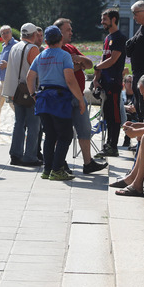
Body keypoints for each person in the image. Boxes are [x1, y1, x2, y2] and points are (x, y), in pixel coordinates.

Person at [26, 25, 87, 181]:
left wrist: (34, 94)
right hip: (59, 99)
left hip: (43, 98)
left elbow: (29, 77)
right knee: (65, 135)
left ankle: (47, 169)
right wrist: (80, 99)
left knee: (50, 135)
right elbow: (69, 79)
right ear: (60, 39)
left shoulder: (41, 55)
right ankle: (57, 169)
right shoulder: (64, 55)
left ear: (46, 40)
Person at [55, 18, 108, 174]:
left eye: (71, 29)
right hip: (64, 97)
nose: (71, 32)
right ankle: (60, 162)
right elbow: (67, 72)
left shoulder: (71, 47)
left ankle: (88, 163)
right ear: (59, 32)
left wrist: (78, 60)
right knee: (63, 132)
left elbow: (89, 64)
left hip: (79, 96)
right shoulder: (54, 50)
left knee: (85, 130)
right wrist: (79, 65)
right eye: (68, 30)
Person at [2, 23, 43, 167]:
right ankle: (30, 156)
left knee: (18, 123)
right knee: (33, 124)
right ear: (34, 35)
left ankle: (15, 154)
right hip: (29, 90)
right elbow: (37, 71)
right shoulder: (32, 48)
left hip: (17, 92)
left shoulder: (15, 46)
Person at [92, 9, 127, 156]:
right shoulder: (108, 38)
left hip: (114, 81)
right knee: (106, 114)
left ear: (113, 19)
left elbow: (113, 60)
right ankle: (108, 144)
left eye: (105, 19)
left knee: (115, 115)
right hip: (104, 81)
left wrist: (97, 67)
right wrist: (96, 77)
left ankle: (113, 145)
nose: (102, 22)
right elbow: (103, 58)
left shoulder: (119, 37)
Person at [0, 25, 17, 130]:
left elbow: (19, 62)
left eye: (7, 32)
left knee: (13, 105)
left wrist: (8, 65)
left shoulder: (15, 45)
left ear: (11, 33)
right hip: (2, 80)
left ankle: (23, 124)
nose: (5, 35)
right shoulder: (4, 45)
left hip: (10, 80)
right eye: (3, 33)